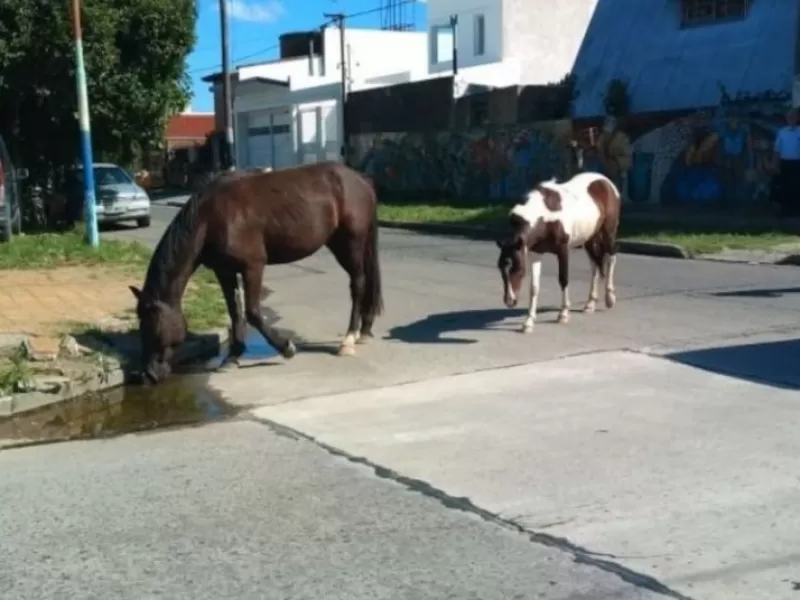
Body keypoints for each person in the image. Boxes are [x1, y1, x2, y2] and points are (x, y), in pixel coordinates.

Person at [773, 108, 800, 217]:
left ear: (797, 118)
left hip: (798, 163)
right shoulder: (782, 132)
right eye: (789, 117)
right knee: (785, 187)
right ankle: (785, 211)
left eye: (794, 117)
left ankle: (797, 211)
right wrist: (775, 164)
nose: (791, 119)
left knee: (797, 186)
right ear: (786, 119)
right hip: (785, 163)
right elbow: (777, 149)